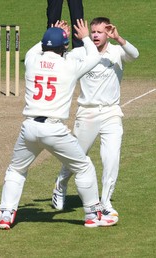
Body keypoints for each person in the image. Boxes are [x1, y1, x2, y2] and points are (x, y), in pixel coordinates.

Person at [0, 19, 118, 230]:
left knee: (16, 169)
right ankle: (93, 215)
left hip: (30, 128)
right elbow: (95, 56)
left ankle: (5, 214)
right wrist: (86, 37)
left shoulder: (31, 60)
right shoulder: (69, 66)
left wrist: (52, 32)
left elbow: (38, 47)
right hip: (54, 129)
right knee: (84, 167)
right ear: (64, 48)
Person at [51, 17, 140, 217]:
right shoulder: (81, 53)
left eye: (100, 32)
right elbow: (58, 61)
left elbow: (135, 55)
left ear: (107, 33)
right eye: (93, 32)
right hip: (87, 113)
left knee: (111, 159)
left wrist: (119, 38)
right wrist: (60, 38)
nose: (96, 35)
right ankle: (61, 183)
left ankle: (105, 202)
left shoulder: (116, 52)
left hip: (111, 113)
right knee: (76, 157)